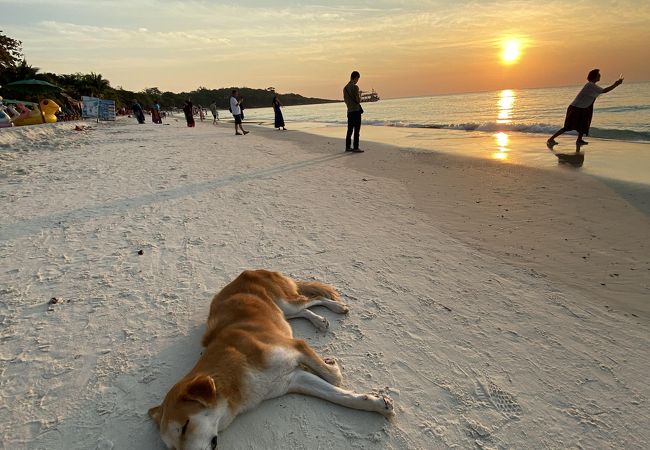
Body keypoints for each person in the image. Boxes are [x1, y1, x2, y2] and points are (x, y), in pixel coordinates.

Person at [547, 69, 623, 150]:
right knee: (567, 127)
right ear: (594, 76)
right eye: (598, 74)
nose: (600, 76)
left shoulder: (592, 85)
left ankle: (579, 140)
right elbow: (604, 91)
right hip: (576, 108)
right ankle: (551, 139)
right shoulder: (590, 85)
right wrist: (616, 84)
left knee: (583, 125)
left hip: (583, 108)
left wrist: (616, 84)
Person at [343, 70, 364, 152]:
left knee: (349, 130)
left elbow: (345, 101)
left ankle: (347, 147)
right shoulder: (355, 87)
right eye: (358, 79)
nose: (357, 81)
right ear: (355, 77)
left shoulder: (345, 88)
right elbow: (358, 100)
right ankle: (356, 147)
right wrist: (360, 95)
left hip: (349, 111)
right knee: (357, 130)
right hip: (356, 111)